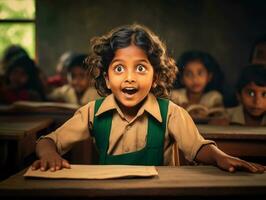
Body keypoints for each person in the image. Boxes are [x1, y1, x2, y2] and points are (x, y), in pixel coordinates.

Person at [32, 24, 265, 173]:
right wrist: (50, 154)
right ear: (107, 77)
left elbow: (198, 148)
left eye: (141, 69)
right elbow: (46, 141)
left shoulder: (171, 113)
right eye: (119, 69)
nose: (130, 78)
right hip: (108, 195)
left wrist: (219, 157)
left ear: (156, 78)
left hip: (160, 195)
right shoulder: (92, 112)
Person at [170, 51, 225, 119]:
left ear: (209, 77)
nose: (195, 79)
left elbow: (220, 113)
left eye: (200, 73)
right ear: (182, 79)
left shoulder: (214, 97)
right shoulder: (176, 96)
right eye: (189, 74)